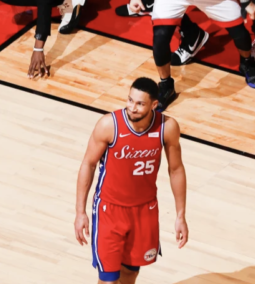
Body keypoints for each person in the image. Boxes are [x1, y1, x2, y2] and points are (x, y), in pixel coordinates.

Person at [74, 77, 188, 284]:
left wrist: (181, 215)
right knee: (108, 280)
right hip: (109, 210)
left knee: (130, 275)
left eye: (140, 103)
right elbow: (88, 165)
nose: (132, 108)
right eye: (130, 100)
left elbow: (176, 169)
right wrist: (80, 212)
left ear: (154, 105)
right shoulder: (108, 125)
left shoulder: (167, 127)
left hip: (144, 211)